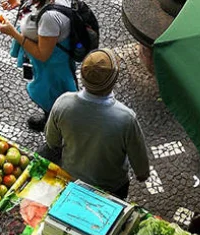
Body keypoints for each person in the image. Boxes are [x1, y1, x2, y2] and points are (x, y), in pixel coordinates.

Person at [44, 49, 150, 199]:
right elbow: (140, 166)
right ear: (113, 81)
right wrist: (142, 174)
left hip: (72, 179)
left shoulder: (63, 103)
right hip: (112, 189)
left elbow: (52, 141)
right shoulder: (126, 118)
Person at [0, 0, 78, 132]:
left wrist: (13, 32)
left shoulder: (49, 18)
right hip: (54, 59)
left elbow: (42, 53)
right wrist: (20, 1)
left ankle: (53, 123)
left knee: (51, 95)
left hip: (52, 65)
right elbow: (39, 3)